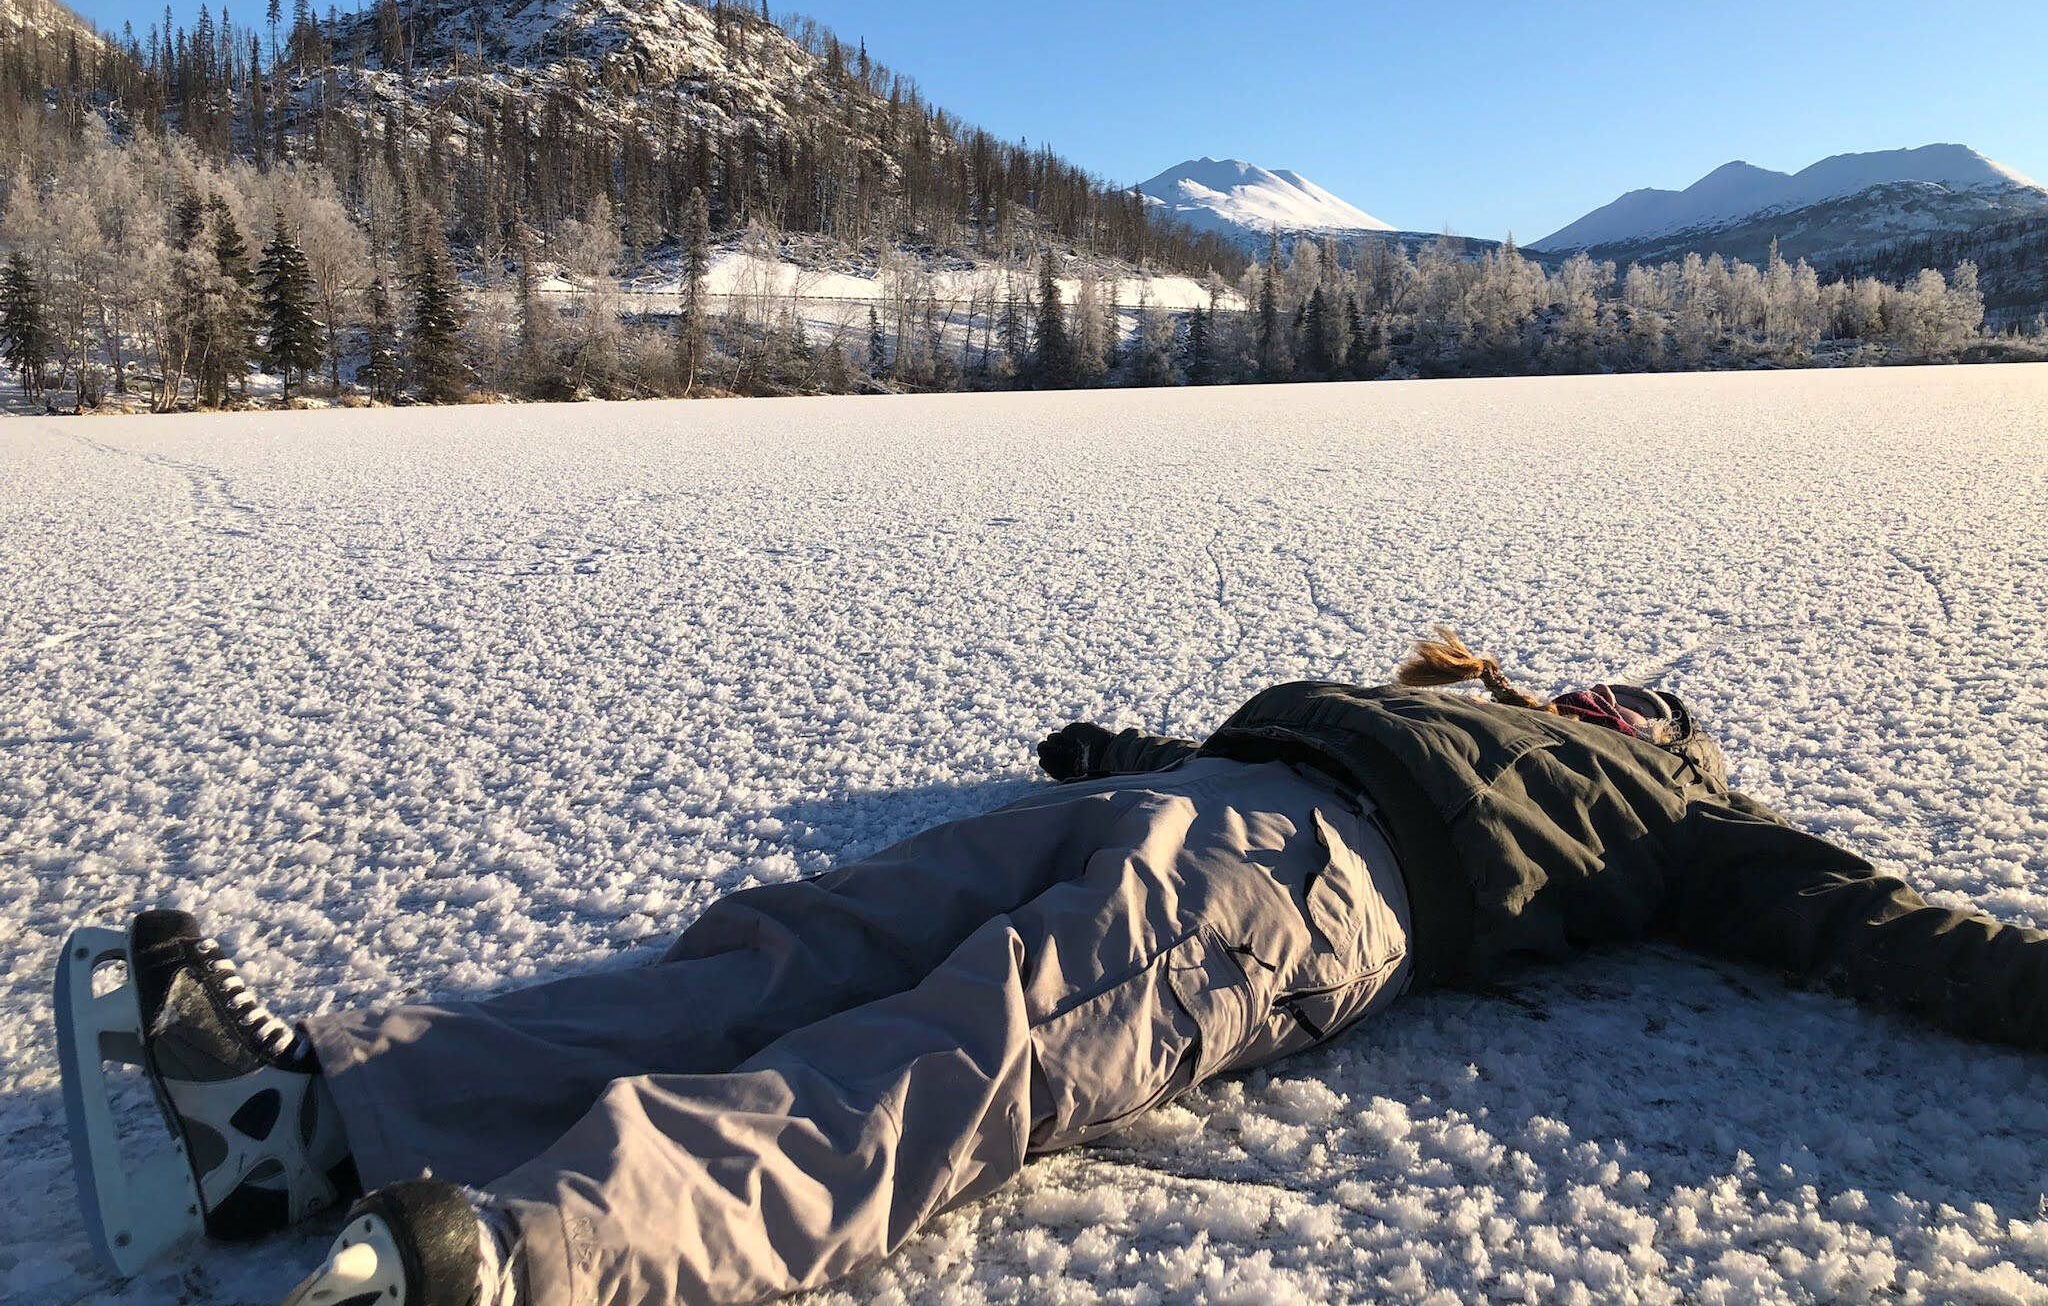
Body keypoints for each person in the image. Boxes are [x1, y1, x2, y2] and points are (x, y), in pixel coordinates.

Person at [111, 628, 2048, 1306]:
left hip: (1302, 896)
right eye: (1617, 684)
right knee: (774, 948)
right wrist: (1113, 763)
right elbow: (1266, 743)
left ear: (1668, 746)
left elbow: (1882, 933)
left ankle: (534, 1253)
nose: (1615, 700)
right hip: (1198, 798)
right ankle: (316, 1122)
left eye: (1651, 709)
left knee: (949, 1055)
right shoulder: (1441, 697)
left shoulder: (1683, 825)